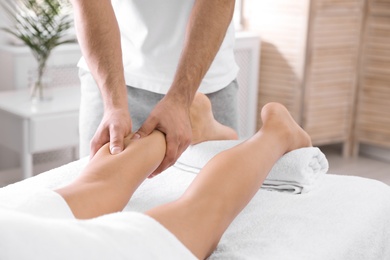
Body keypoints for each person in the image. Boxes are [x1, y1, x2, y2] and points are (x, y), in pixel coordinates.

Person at [52, 94, 311, 259]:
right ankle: (191, 121)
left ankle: (278, 132)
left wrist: (179, 99)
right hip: (18, 231)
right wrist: (113, 102)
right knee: (94, 186)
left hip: (25, 240)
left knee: (200, 211)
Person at [71, 0, 240, 176]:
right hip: (111, 74)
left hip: (204, 76)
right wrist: (114, 104)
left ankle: (263, 130)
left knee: (220, 187)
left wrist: (181, 99)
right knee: (98, 178)